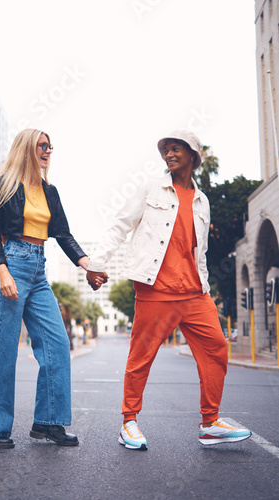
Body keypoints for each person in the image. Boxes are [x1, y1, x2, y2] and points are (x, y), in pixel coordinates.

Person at [86, 129, 252, 450]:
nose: (170, 154)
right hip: (156, 290)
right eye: (166, 150)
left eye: (177, 149)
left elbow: (197, 251)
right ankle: (129, 423)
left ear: (193, 156)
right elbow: (121, 224)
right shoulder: (151, 189)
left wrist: (204, 285)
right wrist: (97, 262)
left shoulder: (202, 201)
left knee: (216, 348)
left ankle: (210, 423)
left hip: (194, 292)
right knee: (141, 357)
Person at [0, 128, 89, 449]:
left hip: (39, 268)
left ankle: (48, 422)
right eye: (41, 146)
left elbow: (63, 233)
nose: (47, 151)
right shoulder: (3, 185)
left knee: (57, 344)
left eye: (50, 146)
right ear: (25, 150)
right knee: (3, 349)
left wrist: (87, 263)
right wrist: (2, 271)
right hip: (13, 263)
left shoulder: (50, 191)